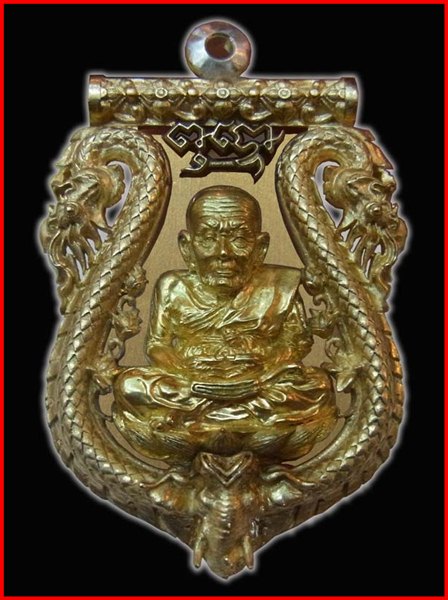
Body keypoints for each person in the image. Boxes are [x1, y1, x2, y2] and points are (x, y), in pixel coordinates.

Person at [113, 186, 337, 461]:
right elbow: (157, 345)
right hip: (194, 383)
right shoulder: (172, 287)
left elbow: (297, 342)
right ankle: (238, 418)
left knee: (317, 385)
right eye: (208, 238)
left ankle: (203, 419)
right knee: (131, 385)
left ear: (260, 247)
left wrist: (258, 373)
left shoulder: (280, 287)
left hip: (258, 383)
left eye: (239, 239)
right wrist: (194, 379)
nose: (223, 253)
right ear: (187, 246)